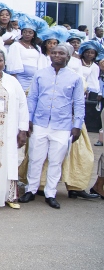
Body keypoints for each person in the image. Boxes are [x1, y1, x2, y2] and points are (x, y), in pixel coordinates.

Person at [19, 44, 87, 209]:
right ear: (49, 55)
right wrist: (28, 119)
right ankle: (31, 190)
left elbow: (78, 103)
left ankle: (50, 193)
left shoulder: (75, 78)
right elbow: (32, 98)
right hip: (40, 123)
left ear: (67, 57)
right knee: (36, 158)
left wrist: (77, 125)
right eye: (54, 52)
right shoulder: (40, 74)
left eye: (61, 53)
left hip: (62, 125)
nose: (57, 55)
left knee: (56, 161)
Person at [6, 15, 48, 92]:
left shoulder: (37, 48)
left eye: (30, 32)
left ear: (33, 35)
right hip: (21, 78)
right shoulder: (16, 45)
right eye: (25, 32)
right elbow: (13, 63)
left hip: (34, 79)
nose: (27, 34)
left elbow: (41, 62)